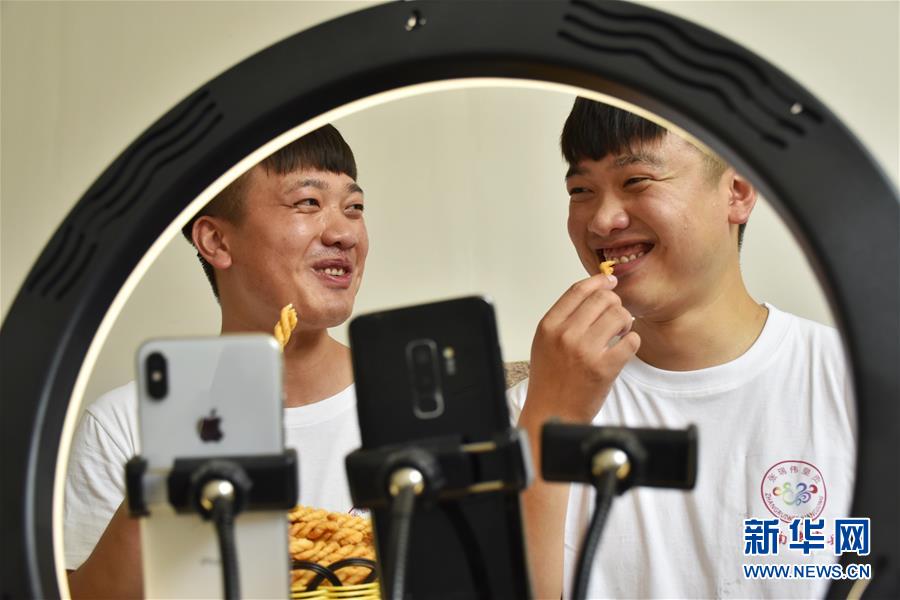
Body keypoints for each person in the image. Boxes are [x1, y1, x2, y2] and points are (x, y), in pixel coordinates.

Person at [511, 99, 855, 598]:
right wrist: (549, 420)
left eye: (636, 181)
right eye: (581, 190)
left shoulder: (857, 385)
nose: (602, 220)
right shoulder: (530, 410)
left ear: (737, 192)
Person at [64, 124, 369, 598]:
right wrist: (166, 481)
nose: (344, 232)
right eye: (308, 202)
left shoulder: (408, 405)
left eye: (354, 207)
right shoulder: (125, 424)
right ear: (216, 241)